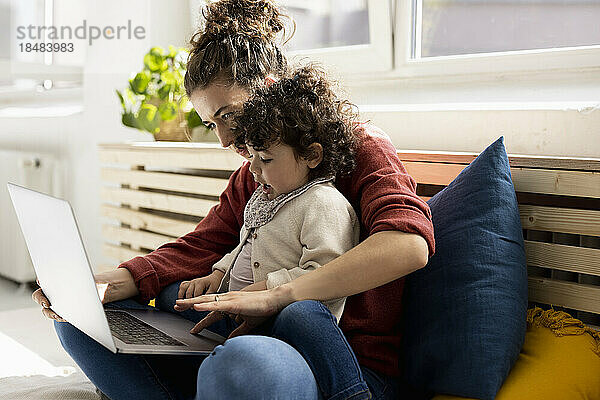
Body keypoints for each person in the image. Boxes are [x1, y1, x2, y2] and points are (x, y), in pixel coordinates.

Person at [33, 1, 435, 399]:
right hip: (253, 330)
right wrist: (111, 283)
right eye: (212, 123)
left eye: (229, 114)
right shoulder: (255, 173)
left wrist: (279, 295)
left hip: (339, 360)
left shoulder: (361, 146)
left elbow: (408, 245)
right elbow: (206, 242)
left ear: (271, 85)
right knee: (83, 322)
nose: (224, 140)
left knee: (239, 362)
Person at [178, 64, 360, 332]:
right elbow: (247, 246)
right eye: (251, 156)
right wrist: (218, 275)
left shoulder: (323, 203)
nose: (252, 168)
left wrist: (264, 293)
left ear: (312, 156)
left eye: (265, 158)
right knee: (174, 299)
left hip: (284, 322)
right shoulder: (271, 195)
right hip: (242, 310)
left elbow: (327, 272)